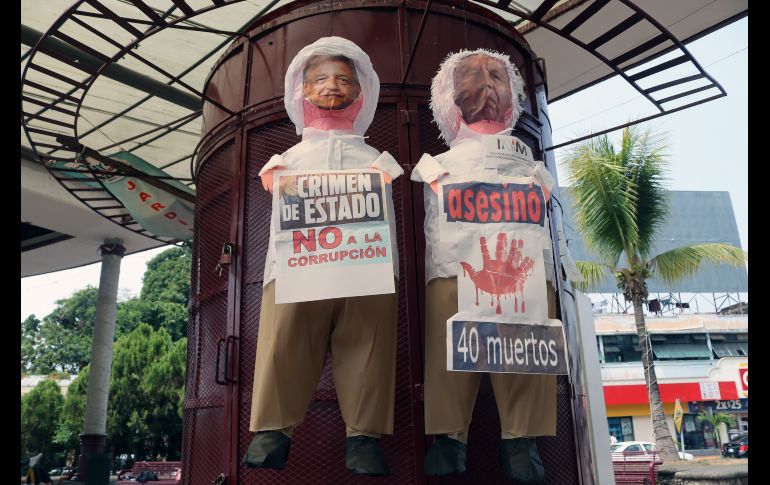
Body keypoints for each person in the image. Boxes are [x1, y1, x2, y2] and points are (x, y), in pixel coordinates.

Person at [242, 36, 403, 477]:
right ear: (304, 90)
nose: (332, 86)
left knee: (367, 344)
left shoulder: (377, 159)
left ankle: (364, 437)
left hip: (366, 267)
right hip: (297, 267)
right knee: (285, 338)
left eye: (343, 79)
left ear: (359, 90)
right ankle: (272, 431)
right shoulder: (286, 159)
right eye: (320, 79)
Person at [411, 49, 557, 483]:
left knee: (526, 347)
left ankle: (522, 441)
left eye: (496, 75)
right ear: (448, 95)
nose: (486, 84)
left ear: (512, 93)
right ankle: (448, 439)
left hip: (524, 271)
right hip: (453, 269)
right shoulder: (440, 165)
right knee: (447, 348)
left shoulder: (532, 168)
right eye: (472, 75)